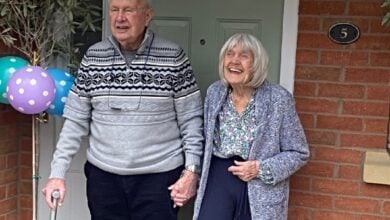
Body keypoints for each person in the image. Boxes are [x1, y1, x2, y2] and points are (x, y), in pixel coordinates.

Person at [42, 0, 203, 219]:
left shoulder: (173, 57)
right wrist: (57, 174)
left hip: (158, 179)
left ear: (147, 16)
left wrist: (191, 172)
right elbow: (75, 121)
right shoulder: (94, 57)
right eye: (114, 10)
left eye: (128, 10)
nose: (120, 18)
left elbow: (191, 120)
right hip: (104, 180)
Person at [193, 33, 310, 220]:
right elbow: (203, 140)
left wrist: (260, 169)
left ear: (257, 64)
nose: (234, 61)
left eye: (244, 56)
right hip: (218, 179)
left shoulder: (278, 98)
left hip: (258, 183)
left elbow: (298, 152)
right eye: (229, 54)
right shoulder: (215, 92)